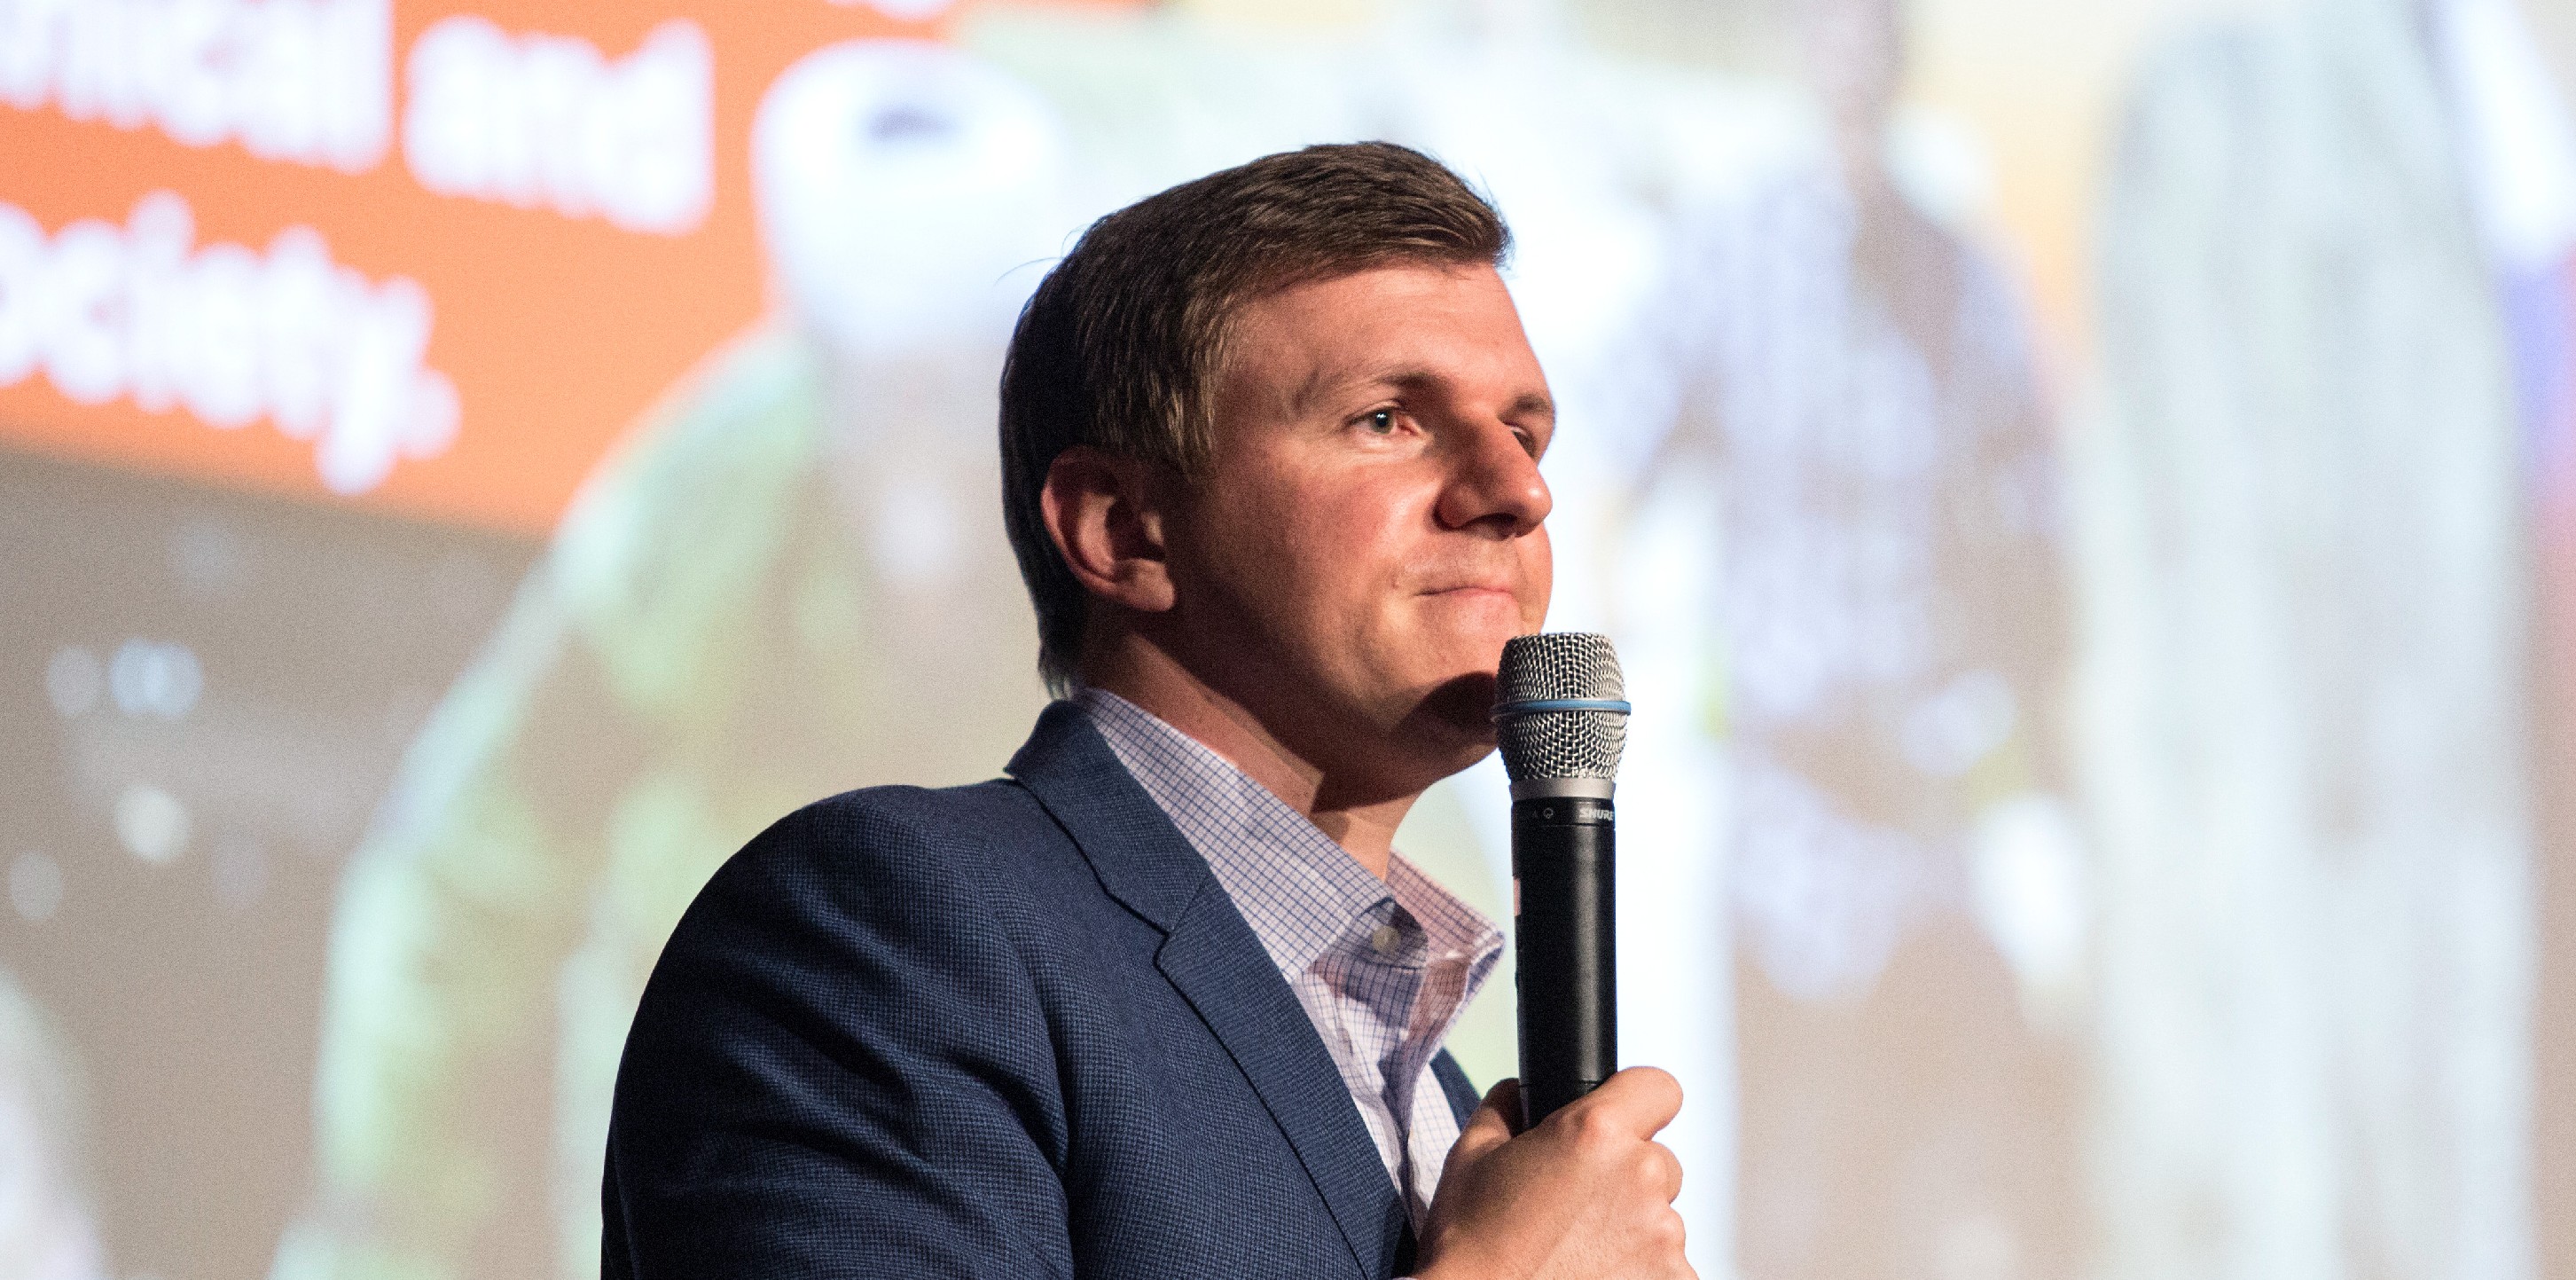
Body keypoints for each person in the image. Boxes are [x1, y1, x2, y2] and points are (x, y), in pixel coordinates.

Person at [601, 143, 1694, 1277]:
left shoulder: (1443, 1106)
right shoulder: (889, 936)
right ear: (1121, 528)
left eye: (1524, 432)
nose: (1519, 491)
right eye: (1387, 419)